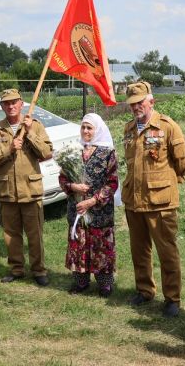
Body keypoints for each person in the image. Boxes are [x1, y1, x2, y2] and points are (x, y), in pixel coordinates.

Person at [122, 81, 185, 318]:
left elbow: (183, 163)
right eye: (132, 103)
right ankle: (144, 290)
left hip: (160, 201)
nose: (136, 107)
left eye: (140, 102)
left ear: (151, 101)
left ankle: (172, 298)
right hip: (134, 200)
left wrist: (167, 182)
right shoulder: (129, 129)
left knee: (167, 251)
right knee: (139, 250)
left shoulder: (168, 127)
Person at [0, 89, 53, 286]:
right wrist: (9, 149)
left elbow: (47, 153)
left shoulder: (35, 126)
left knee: (35, 234)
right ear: (2, 106)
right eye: (6, 103)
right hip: (7, 191)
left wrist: (29, 133)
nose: (11, 106)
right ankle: (17, 269)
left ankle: (38, 270)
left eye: (14, 102)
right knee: (11, 235)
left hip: (30, 190)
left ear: (21, 104)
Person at [59, 113, 118, 297]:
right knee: (79, 244)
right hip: (77, 208)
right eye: (83, 127)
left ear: (97, 130)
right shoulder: (73, 150)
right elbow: (62, 177)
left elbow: (112, 182)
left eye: (89, 128)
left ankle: (104, 285)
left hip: (99, 210)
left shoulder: (107, 152)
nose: (86, 131)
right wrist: (72, 186)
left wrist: (93, 201)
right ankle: (81, 282)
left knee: (101, 246)